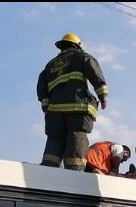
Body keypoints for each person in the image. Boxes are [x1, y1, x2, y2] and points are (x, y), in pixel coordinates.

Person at [37, 33, 109, 171]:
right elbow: (95, 74)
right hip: (77, 107)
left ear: (62, 46)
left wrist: (46, 106)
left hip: (54, 112)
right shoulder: (81, 56)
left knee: (54, 140)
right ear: (77, 45)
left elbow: (42, 88)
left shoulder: (50, 65)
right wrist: (102, 95)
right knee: (77, 137)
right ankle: (74, 173)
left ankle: (47, 170)